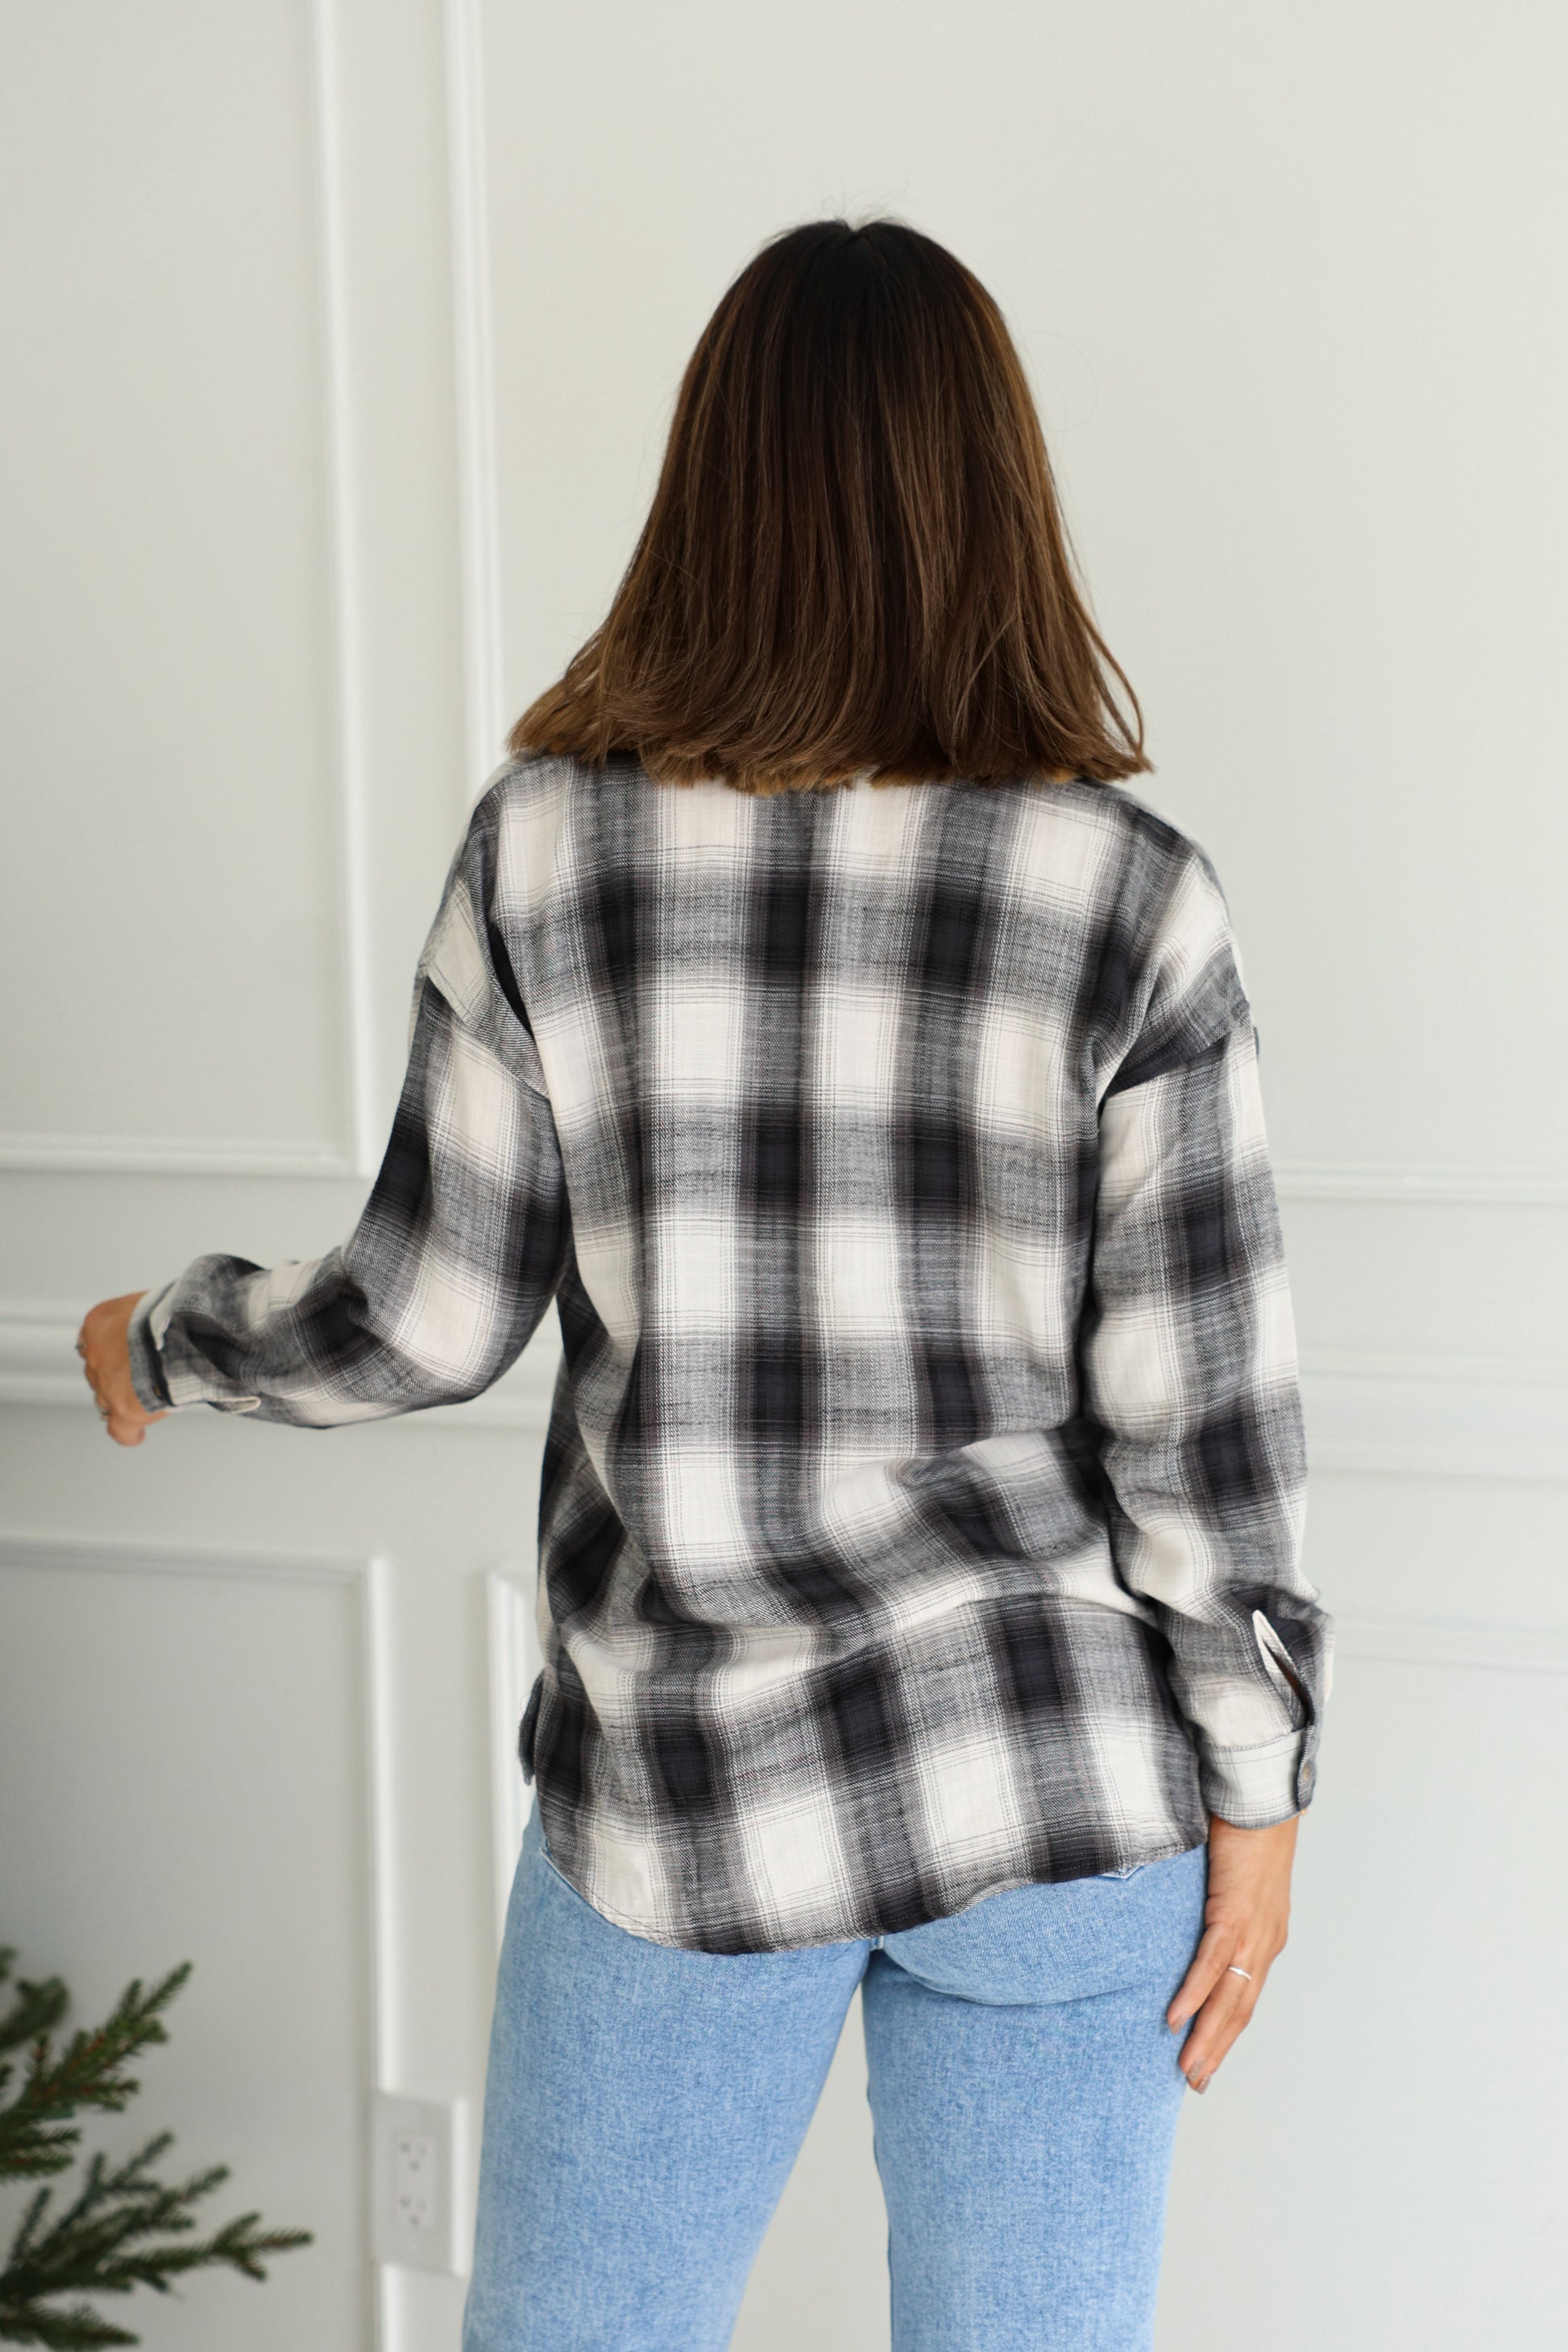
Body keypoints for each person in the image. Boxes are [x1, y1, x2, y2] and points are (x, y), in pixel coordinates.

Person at [78, 217, 1333, 2351]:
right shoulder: (1127, 898)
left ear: (708, 491)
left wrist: (161, 1334)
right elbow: (1196, 1434)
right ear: (995, 499)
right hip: (1051, 1793)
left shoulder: (549, 850)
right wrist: (1258, 1793)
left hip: (690, 1789)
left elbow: (426, 1317)